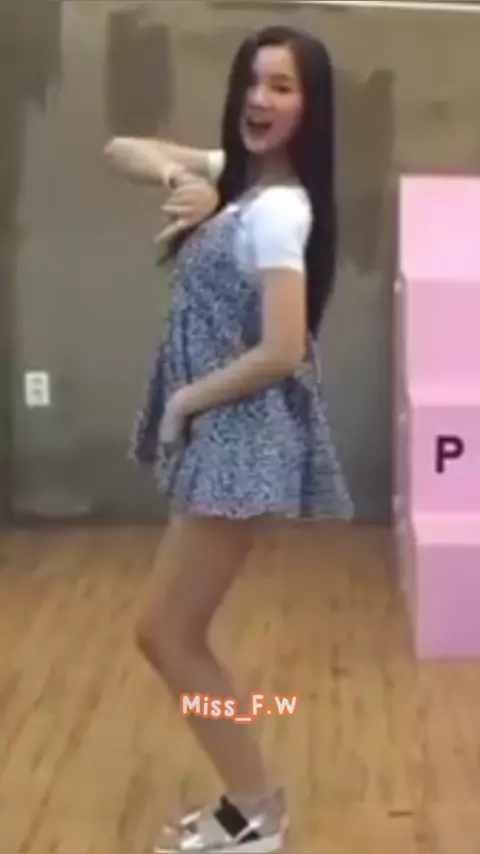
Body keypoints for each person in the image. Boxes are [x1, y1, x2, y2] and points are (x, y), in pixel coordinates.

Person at [104, 24, 353, 854]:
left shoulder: (278, 210)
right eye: (253, 79)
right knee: (171, 632)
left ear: (310, 107)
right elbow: (120, 148)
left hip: (240, 436)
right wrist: (187, 178)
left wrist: (185, 401)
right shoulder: (244, 184)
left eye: (282, 86)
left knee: (167, 633)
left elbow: (281, 348)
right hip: (226, 433)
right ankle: (254, 804)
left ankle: (257, 811)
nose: (259, 98)